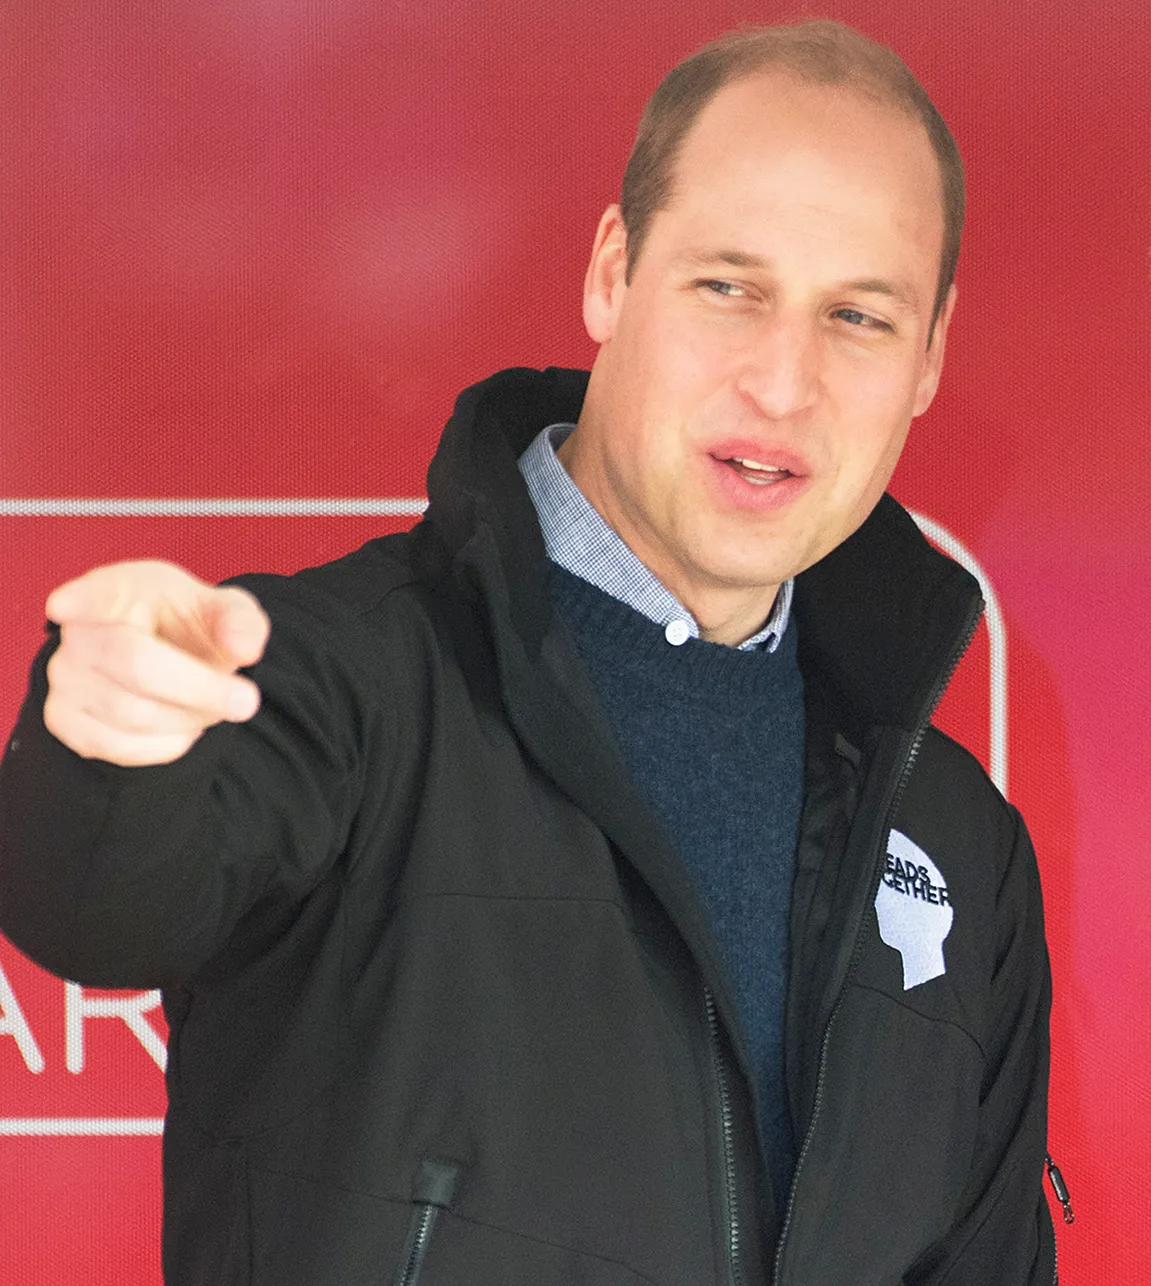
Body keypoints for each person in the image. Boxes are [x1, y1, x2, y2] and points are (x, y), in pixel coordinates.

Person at [0, 20, 1055, 1285]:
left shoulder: (957, 839)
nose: (785, 382)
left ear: (928, 358)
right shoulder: (341, 680)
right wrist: (106, 751)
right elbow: (101, 900)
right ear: (614, 272)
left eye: (858, 316)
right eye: (729, 285)